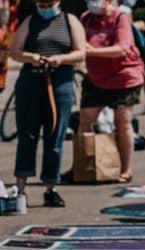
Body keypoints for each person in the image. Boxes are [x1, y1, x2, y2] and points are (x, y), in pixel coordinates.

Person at [10, 0, 84, 206]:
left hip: (60, 82)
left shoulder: (70, 21)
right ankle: (20, 188)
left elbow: (81, 52)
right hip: (31, 82)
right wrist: (30, 57)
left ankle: (51, 187)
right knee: (27, 135)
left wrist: (60, 59)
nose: (44, 6)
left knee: (55, 136)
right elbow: (14, 51)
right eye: (41, 3)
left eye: (48, 3)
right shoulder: (30, 21)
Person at [79, 0, 142, 184]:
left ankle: (125, 169)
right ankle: (84, 164)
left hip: (124, 76)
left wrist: (92, 51)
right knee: (85, 119)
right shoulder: (86, 18)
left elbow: (122, 48)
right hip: (95, 77)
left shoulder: (120, 17)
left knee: (122, 122)